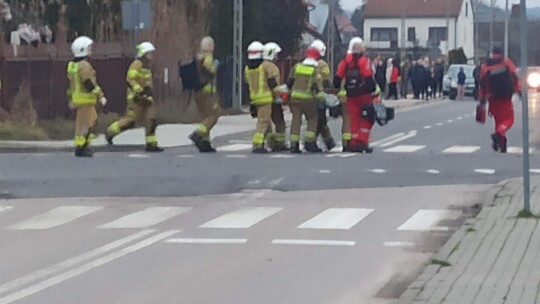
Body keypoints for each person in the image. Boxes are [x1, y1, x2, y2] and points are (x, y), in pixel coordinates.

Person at [106, 42, 164, 152]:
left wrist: (149, 93)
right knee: (131, 121)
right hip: (136, 99)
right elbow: (130, 79)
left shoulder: (147, 66)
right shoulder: (137, 64)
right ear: (143, 53)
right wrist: (139, 91)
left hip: (146, 99)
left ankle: (151, 144)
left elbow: (147, 82)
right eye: (149, 53)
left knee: (151, 119)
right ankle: (111, 132)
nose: (152, 55)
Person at [334, 37, 377, 153]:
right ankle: (362, 142)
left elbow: (337, 79)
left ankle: (352, 143)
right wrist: (371, 90)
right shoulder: (363, 61)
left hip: (350, 94)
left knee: (353, 118)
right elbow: (368, 77)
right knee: (366, 118)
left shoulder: (346, 61)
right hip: (363, 94)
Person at [66, 36, 106, 158]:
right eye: (89, 48)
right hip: (85, 100)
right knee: (86, 124)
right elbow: (88, 82)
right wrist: (100, 95)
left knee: (87, 122)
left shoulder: (73, 65)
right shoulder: (84, 65)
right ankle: (81, 147)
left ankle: (84, 145)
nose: (90, 50)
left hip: (79, 99)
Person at [478, 46, 521, 153]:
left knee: (498, 120)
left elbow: (482, 85)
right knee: (509, 120)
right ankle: (498, 134)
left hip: (492, 98)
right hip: (505, 97)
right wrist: (519, 91)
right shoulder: (506, 63)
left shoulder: (486, 67)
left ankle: (502, 145)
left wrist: (482, 99)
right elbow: (515, 78)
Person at [286, 47, 324, 153]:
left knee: (296, 121)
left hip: (294, 99)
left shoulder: (296, 67)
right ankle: (310, 142)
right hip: (308, 100)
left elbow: (289, 82)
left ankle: (294, 144)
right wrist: (323, 98)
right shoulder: (314, 70)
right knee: (312, 119)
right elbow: (318, 87)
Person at [244, 41, 277, 153]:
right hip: (265, 98)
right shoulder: (265, 66)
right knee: (263, 121)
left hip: (254, 98)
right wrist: (277, 94)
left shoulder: (247, 68)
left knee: (266, 121)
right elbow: (272, 82)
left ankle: (273, 142)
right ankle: (257, 144)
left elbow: (247, 84)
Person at [189, 36, 221, 153]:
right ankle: (198, 134)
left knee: (204, 117)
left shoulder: (197, 57)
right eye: (212, 45)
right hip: (207, 92)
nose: (213, 48)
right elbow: (211, 71)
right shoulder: (208, 57)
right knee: (214, 114)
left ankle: (204, 143)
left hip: (197, 92)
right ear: (209, 46)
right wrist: (216, 65)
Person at [311, 39, 336, 151]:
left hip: (310, 95)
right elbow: (326, 80)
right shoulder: (323, 64)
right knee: (320, 119)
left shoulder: (307, 63)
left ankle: (328, 141)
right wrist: (329, 93)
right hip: (320, 95)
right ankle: (314, 142)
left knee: (318, 119)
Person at [263, 41, 288, 152]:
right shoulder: (272, 67)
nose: (277, 57)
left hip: (263, 98)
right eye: (276, 54)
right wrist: (281, 93)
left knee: (266, 122)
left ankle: (269, 142)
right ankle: (278, 143)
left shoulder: (261, 66)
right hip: (273, 99)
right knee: (279, 122)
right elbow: (273, 84)